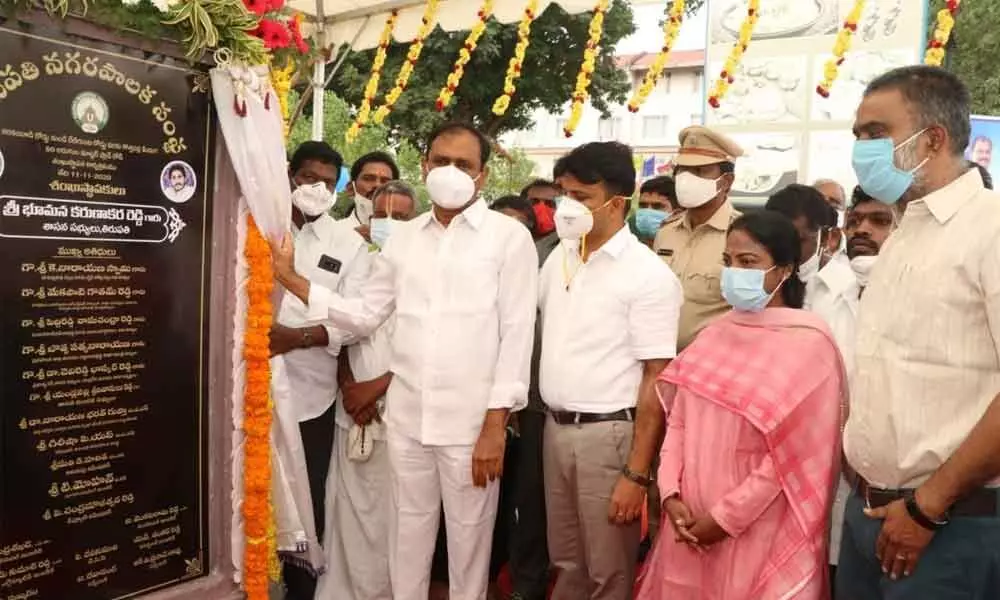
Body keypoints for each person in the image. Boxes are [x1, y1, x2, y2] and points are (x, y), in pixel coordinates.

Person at [271, 122, 538, 600]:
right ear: (425, 166)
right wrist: (294, 281)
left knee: (468, 552)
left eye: (464, 164)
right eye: (441, 162)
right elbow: (366, 315)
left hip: (471, 426)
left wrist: (496, 424)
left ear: (482, 175)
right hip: (408, 423)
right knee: (406, 547)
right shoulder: (406, 239)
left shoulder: (507, 239)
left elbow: (517, 335)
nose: (451, 172)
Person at [838, 65, 1000, 599]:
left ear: (934, 138)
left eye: (875, 134)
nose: (862, 148)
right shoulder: (904, 229)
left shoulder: (991, 228)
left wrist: (927, 507)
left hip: (947, 526)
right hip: (869, 514)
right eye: (858, 136)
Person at [637, 210, 845, 600]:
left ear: (784, 269)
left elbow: (791, 457)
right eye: (728, 262)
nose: (734, 272)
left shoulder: (809, 345)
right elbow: (678, 424)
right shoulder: (715, 334)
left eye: (748, 262)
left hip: (756, 528)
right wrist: (670, 494)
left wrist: (724, 519)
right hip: (687, 523)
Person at [541, 141, 683, 600]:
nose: (566, 206)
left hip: (609, 436)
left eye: (581, 196)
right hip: (555, 428)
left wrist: (637, 473)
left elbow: (656, 377)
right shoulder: (558, 257)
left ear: (616, 202)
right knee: (566, 566)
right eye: (563, 193)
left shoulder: (647, 275)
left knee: (609, 573)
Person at [273, 141, 373, 600]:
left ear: (338, 188)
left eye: (326, 183)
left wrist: (301, 337)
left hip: (311, 396)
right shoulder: (256, 223)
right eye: (307, 177)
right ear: (289, 174)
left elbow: (356, 320)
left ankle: (300, 590)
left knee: (306, 498)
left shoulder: (348, 245)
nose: (315, 188)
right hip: (246, 388)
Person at [316, 181, 419, 600]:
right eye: (383, 216)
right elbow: (344, 329)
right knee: (347, 508)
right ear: (369, 218)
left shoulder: (424, 269)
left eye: (402, 217)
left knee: (392, 516)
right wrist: (348, 388)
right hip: (351, 408)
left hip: (398, 410)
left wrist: (375, 391)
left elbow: (426, 346)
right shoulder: (356, 263)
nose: (390, 223)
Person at [808, 185, 897, 588]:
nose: (862, 230)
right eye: (855, 221)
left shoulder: (920, 297)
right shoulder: (823, 293)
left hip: (900, 490)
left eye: (879, 221)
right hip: (830, 476)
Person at [653, 126, 744, 350]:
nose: (686, 179)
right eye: (682, 170)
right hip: (658, 362)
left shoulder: (743, 236)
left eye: (700, 171)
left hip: (710, 369)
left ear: (727, 181)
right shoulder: (665, 232)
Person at [764, 184, 853, 309]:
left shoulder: (848, 288)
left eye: (796, 242)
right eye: (776, 241)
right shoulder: (757, 285)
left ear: (825, 238)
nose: (784, 251)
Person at [345, 151, 400, 241]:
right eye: (368, 179)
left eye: (385, 181)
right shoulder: (332, 234)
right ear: (351, 189)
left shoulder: (407, 240)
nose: (377, 185)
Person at [631, 176, 678, 248]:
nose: (648, 211)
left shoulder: (685, 249)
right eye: (643, 205)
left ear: (677, 212)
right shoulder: (630, 246)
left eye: (657, 206)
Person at [812, 179, 847, 258]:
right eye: (820, 199)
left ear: (844, 209)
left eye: (835, 202)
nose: (827, 205)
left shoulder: (855, 249)